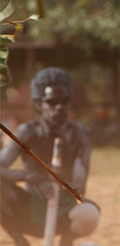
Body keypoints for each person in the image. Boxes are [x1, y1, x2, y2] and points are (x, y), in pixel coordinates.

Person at [0, 67, 100, 246]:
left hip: (64, 209)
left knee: (89, 214)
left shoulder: (80, 135)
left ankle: (66, 242)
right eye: (52, 102)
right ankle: (19, 241)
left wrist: (57, 181)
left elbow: (80, 184)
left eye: (64, 101)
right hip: (28, 209)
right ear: (39, 105)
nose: (60, 107)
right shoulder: (26, 132)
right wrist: (30, 176)